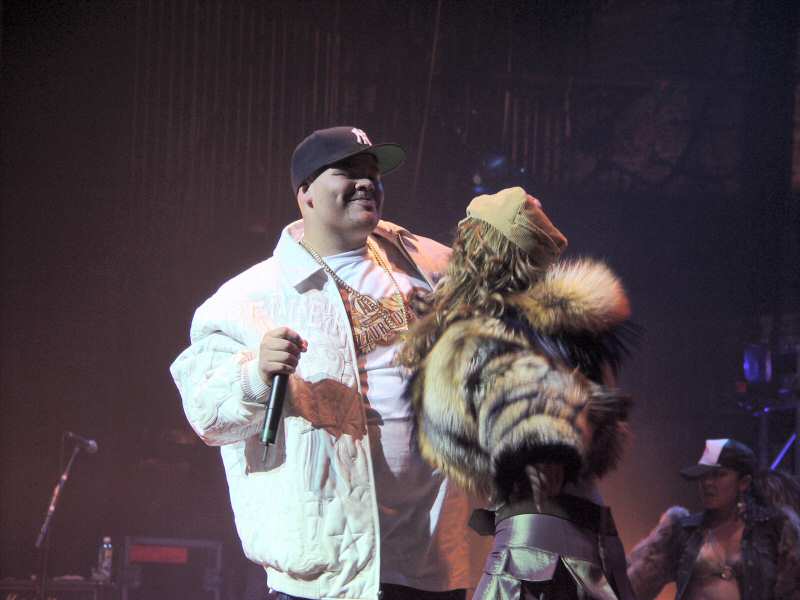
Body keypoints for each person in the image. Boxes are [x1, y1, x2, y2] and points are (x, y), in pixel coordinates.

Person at [170, 126, 478, 600]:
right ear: (306, 194)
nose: (366, 182)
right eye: (348, 171)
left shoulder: (431, 267)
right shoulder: (248, 298)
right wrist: (255, 375)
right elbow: (206, 417)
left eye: (373, 173)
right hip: (326, 574)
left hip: (433, 560)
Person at [398, 186, 637, 600]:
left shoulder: (490, 336)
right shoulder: (541, 334)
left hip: (547, 546)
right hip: (569, 539)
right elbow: (557, 432)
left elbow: (532, 436)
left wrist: (538, 446)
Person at [626, 438, 800, 600]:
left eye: (718, 474)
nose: (707, 483)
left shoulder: (775, 528)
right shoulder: (682, 530)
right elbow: (632, 587)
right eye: (703, 475)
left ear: (744, 482)